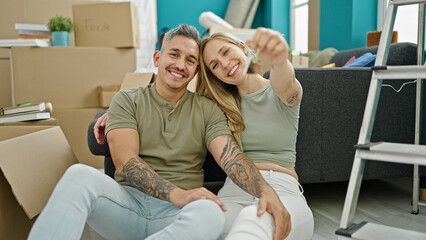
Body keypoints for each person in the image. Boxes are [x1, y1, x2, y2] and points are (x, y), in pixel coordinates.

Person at [29, 24, 289, 240]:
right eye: (173, 54)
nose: (180, 64)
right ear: (157, 58)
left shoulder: (207, 110)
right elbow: (125, 163)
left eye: (190, 60)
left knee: (210, 213)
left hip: (179, 216)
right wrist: (177, 194)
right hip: (127, 206)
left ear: (196, 71)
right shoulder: (126, 100)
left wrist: (266, 192)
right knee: (78, 175)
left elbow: (231, 158)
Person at [195, 27, 314, 239]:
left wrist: (279, 60)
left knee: (254, 218)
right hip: (234, 192)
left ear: (242, 47)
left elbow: (284, 82)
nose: (224, 64)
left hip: (282, 190)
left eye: (225, 52)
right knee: (200, 222)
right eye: (214, 65)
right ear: (214, 75)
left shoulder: (279, 91)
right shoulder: (218, 107)